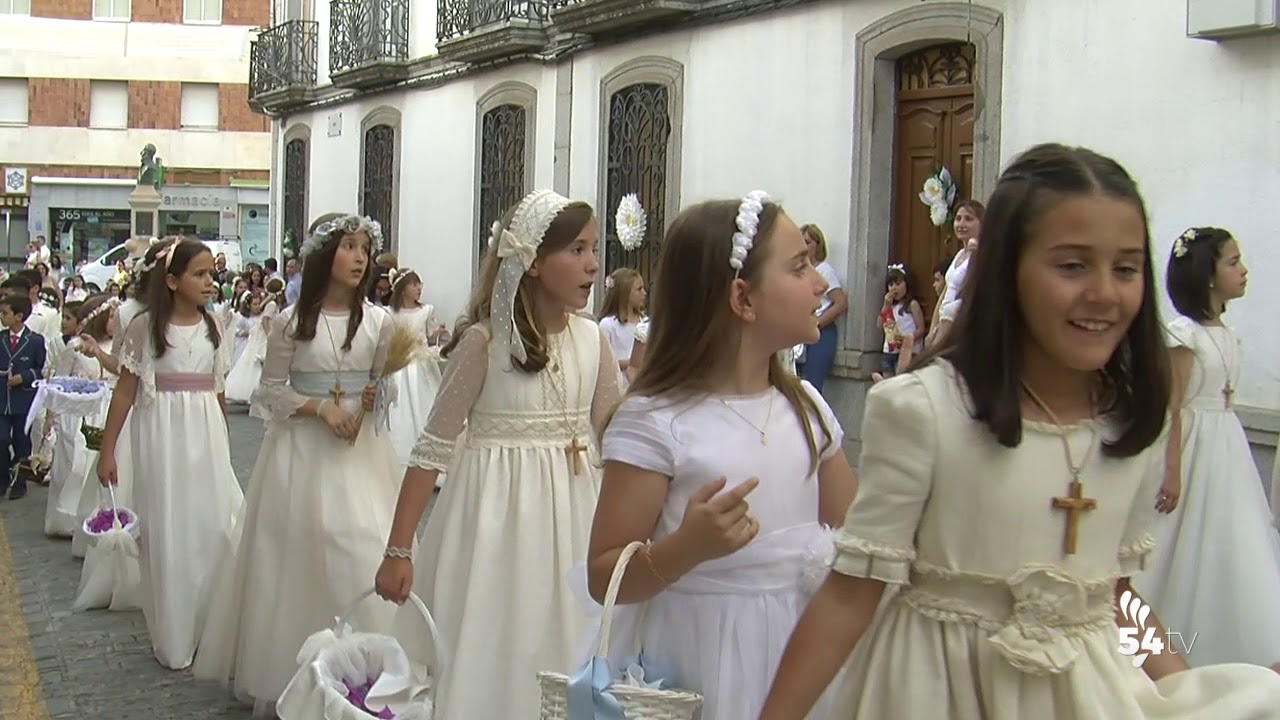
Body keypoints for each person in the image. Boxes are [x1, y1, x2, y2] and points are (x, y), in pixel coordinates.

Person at [760, 143, 1280, 718]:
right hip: (937, 691)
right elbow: (849, 596)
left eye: (1126, 268)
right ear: (1007, 270)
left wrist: (1175, 679)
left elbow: (1116, 599)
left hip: (1082, 692)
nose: (1104, 291)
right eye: (1072, 265)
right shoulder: (926, 412)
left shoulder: (1134, 426)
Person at [584, 192, 856, 719]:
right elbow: (604, 575)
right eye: (800, 266)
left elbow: (859, 535)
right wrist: (688, 546)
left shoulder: (806, 409)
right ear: (743, 299)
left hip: (800, 654)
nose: (820, 283)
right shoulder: (657, 421)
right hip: (697, 654)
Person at [373, 190, 620, 717]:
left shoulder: (593, 340)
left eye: (593, 249)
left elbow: (618, 432)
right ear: (531, 262)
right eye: (576, 250)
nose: (593, 264)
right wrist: (399, 549)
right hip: (497, 523)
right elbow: (431, 448)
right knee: (500, 637)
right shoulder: (484, 345)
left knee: (571, 633)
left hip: (578, 513)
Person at [195, 213, 396, 716]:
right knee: (300, 553)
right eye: (349, 247)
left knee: (361, 541)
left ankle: (369, 665)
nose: (359, 258)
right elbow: (269, 390)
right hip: (302, 454)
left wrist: (369, 401)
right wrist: (320, 409)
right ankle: (295, 669)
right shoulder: (289, 323)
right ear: (326, 256)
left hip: (360, 454)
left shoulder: (379, 321)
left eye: (364, 250)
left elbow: (383, 384)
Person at [1133, 226, 1280, 668]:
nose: (1243, 270)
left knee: (1232, 536)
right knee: (1182, 538)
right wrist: (1172, 468)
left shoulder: (1227, 332)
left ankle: (1232, 643)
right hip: (1194, 445)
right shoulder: (1185, 336)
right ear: (1208, 275)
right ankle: (1166, 639)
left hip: (1227, 443)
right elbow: (1173, 405)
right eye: (1233, 262)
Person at [96, 238, 243, 670]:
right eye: (199, 274)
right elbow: (125, 392)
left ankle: (208, 626)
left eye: (211, 274)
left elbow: (218, 391)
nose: (209, 282)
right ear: (173, 280)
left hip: (206, 437)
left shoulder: (214, 327)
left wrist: (224, 441)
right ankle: (174, 632)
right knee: (168, 529)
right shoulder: (146, 329)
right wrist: (108, 451)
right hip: (161, 435)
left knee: (213, 525)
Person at [0, 294, 46, 500]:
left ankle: (20, 481)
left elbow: (41, 369)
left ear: (18, 316)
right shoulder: (0, 338)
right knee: (1, 439)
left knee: (22, 440)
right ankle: (2, 478)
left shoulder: (35, 340)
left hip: (23, 400)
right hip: (2, 399)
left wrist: (24, 377)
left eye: (5, 313)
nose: (1, 317)